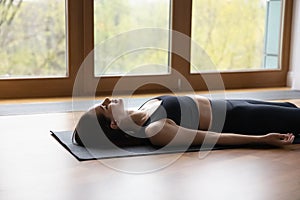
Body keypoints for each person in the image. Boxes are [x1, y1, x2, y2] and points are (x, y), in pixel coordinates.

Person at [73, 95, 299, 148]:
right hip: (244, 119)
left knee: (291, 108)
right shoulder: (155, 130)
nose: (106, 100)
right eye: (104, 107)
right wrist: (261, 140)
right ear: (113, 123)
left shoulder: (140, 109)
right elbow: (213, 138)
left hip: (231, 102)